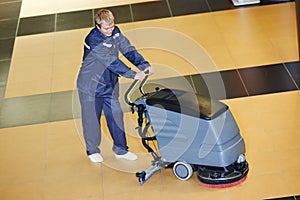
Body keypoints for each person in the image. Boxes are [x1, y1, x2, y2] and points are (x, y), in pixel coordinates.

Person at [76, 9, 154, 163]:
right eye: (106, 28)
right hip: (91, 87)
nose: (110, 30)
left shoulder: (116, 32)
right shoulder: (94, 39)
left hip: (109, 84)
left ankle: (121, 149)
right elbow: (111, 61)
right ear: (98, 27)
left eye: (112, 26)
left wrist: (144, 65)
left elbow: (127, 49)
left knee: (116, 116)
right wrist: (132, 74)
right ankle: (92, 150)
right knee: (92, 120)